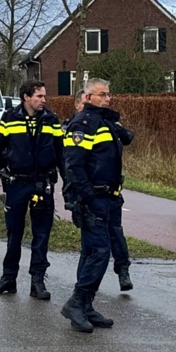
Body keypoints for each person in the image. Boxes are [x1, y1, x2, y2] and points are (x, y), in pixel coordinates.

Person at [60, 78, 134, 332]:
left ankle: (87, 305)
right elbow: (74, 166)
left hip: (111, 198)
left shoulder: (106, 123)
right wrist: (88, 197)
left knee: (97, 253)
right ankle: (76, 303)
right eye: (102, 95)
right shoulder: (82, 124)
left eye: (109, 94)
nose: (107, 98)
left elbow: (126, 140)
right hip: (95, 199)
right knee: (98, 252)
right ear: (88, 97)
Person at [0, 80, 65, 300]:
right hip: (17, 183)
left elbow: (61, 153)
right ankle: (8, 278)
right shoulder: (9, 118)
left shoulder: (51, 120)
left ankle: (37, 281)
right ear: (26, 97)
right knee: (14, 234)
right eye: (39, 96)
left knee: (41, 235)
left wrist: (69, 182)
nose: (43, 100)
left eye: (44, 96)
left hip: (43, 183)